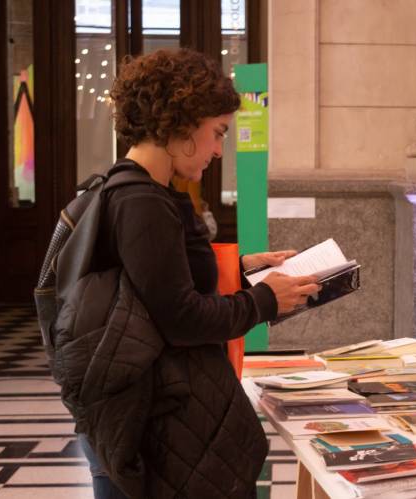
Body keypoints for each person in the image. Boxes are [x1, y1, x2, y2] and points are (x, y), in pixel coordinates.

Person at [79, 48, 320, 498]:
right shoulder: (143, 201)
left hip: (147, 412)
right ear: (182, 122)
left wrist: (242, 268)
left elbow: (155, 281)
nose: (216, 149)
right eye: (216, 133)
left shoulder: (139, 190)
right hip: (152, 419)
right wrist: (266, 300)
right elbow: (182, 318)